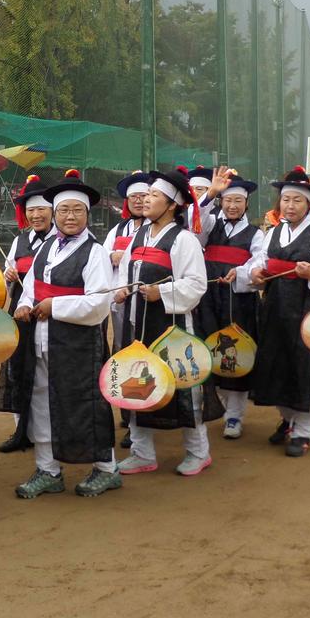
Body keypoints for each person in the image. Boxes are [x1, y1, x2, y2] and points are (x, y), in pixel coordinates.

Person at [13, 169, 119, 498]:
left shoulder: (95, 253)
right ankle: (48, 469)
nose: (69, 216)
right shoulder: (47, 248)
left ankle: (107, 468)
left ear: (87, 214)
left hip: (77, 346)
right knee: (42, 403)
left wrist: (53, 308)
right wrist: (25, 304)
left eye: (76, 210)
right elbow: (31, 287)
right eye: (63, 210)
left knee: (85, 404)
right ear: (54, 214)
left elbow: (99, 304)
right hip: (42, 342)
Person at [115, 166, 222, 476]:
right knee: (136, 383)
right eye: (146, 194)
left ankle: (198, 452)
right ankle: (142, 452)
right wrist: (123, 290)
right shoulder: (138, 234)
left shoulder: (184, 240)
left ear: (173, 203)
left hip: (172, 327)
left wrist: (160, 292)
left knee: (185, 386)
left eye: (154, 195)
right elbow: (127, 272)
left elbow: (196, 284)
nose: (146, 200)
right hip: (138, 325)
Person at [243, 167, 310, 456]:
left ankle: (303, 430)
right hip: (275, 309)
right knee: (278, 364)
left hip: (306, 310)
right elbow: (261, 261)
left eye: (297, 201)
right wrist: (256, 274)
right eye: (286, 200)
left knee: (306, 369)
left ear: (308, 204)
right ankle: (287, 419)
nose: (290, 206)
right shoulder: (274, 231)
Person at [194, 168, 265, 439]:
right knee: (211, 349)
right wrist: (210, 193)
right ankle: (219, 402)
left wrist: (243, 272)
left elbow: (261, 260)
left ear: (247, 203)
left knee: (238, 352)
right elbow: (194, 225)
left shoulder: (256, 233)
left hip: (240, 300)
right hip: (210, 297)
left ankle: (235, 414)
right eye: (227, 200)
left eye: (238, 201)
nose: (232, 205)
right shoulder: (210, 224)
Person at [0, 174, 54, 454]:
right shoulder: (20, 241)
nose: (36, 215)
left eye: (41, 209)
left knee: (44, 373)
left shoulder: (60, 241)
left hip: (47, 314)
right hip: (19, 313)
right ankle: (22, 430)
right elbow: (8, 273)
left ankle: (49, 430)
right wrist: (7, 275)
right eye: (30, 210)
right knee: (18, 369)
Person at [102, 171, 152, 450]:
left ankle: (145, 413)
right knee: (122, 352)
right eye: (133, 197)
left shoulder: (156, 229)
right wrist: (113, 256)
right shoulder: (118, 230)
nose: (138, 201)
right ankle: (128, 412)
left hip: (148, 301)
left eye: (144, 196)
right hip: (120, 302)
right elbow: (103, 255)